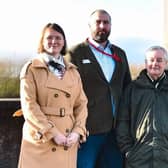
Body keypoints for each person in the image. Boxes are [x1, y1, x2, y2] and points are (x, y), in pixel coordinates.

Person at [65, 9, 131, 168]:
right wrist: (73, 128)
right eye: (98, 22)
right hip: (87, 130)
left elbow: (128, 88)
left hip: (115, 130)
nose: (102, 26)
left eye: (106, 22)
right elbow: (67, 92)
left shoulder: (119, 53)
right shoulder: (75, 53)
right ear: (89, 25)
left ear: (111, 26)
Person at [18, 23, 88, 168]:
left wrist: (77, 132)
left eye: (58, 38)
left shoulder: (73, 71)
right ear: (42, 41)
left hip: (68, 139)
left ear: (63, 42)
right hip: (42, 138)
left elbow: (81, 104)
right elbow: (29, 106)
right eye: (49, 37)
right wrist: (52, 133)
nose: (54, 41)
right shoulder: (31, 69)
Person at [116, 46, 168, 168]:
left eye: (159, 60)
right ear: (146, 63)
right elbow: (122, 121)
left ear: (165, 63)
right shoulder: (132, 89)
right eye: (151, 60)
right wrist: (128, 150)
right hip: (138, 158)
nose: (155, 63)